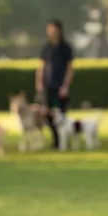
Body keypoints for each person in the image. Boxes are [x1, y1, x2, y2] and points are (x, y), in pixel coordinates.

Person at [36, 19, 74, 149]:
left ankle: (62, 141)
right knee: (47, 114)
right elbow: (41, 67)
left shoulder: (66, 48)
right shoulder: (46, 48)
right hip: (48, 86)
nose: (50, 32)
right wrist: (39, 83)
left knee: (61, 115)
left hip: (60, 87)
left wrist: (65, 86)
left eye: (52, 29)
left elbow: (69, 68)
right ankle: (56, 139)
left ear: (59, 30)